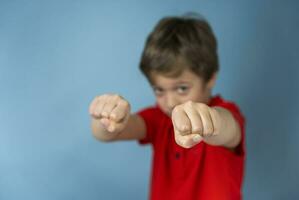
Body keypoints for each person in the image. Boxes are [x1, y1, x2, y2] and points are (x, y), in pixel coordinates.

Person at [89, 13, 246, 200]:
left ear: (210, 77)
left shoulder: (226, 112)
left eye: (182, 88)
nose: (170, 103)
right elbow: (109, 134)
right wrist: (107, 119)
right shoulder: (159, 118)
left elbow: (227, 129)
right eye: (159, 90)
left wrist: (208, 120)